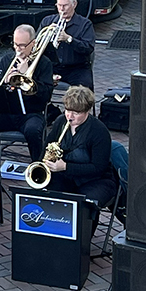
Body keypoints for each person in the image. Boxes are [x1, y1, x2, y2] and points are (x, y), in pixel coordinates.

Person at [43, 85, 116, 226]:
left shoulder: (99, 131)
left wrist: (66, 167)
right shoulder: (60, 121)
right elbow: (46, 148)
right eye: (68, 110)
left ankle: (82, 242)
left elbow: (98, 167)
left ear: (87, 111)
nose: (70, 116)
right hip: (66, 176)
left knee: (85, 205)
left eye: (76, 113)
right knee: (48, 195)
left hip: (96, 180)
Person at [0, 25, 54, 161]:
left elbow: (46, 96)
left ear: (33, 44)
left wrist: (27, 78)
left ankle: (37, 167)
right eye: (15, 44)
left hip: (31, 113)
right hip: (8, 112)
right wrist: (7, 81)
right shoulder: (7, 60)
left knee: (33, 131)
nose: (18, 49)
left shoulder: (44, 63)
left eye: (22, 46)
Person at [39, 0, 95, 90]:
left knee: (83, 93)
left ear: (74, 4)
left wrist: (69, 39)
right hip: (52, 67)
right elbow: (36, 45)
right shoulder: (47, 21)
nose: (62, 9)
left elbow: (88, 48)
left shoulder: (85, 24)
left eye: (65, 5)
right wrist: (46, 35)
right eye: (59, 5)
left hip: (77, 68)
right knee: (34, 86)